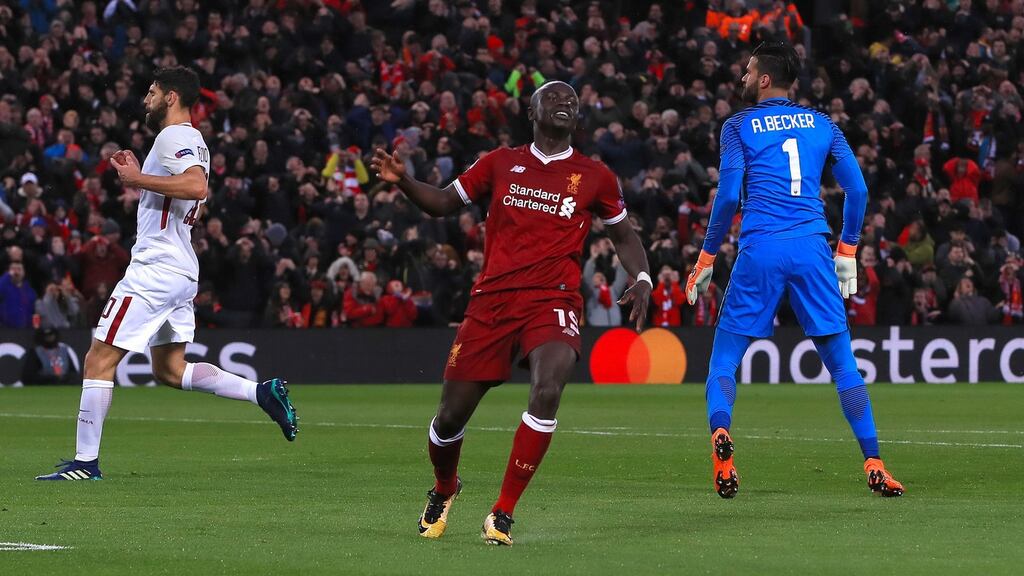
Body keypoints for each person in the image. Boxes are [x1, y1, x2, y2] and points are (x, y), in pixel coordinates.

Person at [371, 80, 652, 546]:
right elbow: (442, 202)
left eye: (572, 101)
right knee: (449, 418)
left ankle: (502, 512)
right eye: (553, 97)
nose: (565, 103)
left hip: (553, 299)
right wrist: (403, 180)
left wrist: (641, 277)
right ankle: (445, 487)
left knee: (548, 389)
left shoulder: (596, 176)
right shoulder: (499, 162)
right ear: (532, 111)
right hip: (493, 301)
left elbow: (624, 235)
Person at [36, 67, 298, 482]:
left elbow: (196, 187)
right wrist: (144, 180)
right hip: (180, 269)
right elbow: (189, 194)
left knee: (99, 358)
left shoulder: (172, 136)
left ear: (171, 96)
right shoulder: (196, 144)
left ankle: (85, 464)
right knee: (170, 370)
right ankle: (261, 392)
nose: (146, 99)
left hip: (154, 269)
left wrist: (137, 178)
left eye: (152, 91)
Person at [685, 42, 903, 499]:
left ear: (764, 79)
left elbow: (728, 197)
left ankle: (721, 437)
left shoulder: (737, 126)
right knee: (843, 366)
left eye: (748, 72)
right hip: (812, 248)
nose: (743, 78)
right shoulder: (824, 125)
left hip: (761, 248)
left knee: (724, 360)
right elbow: (858, 190)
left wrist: (706, 258)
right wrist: (847, 249)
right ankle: (875, 462)